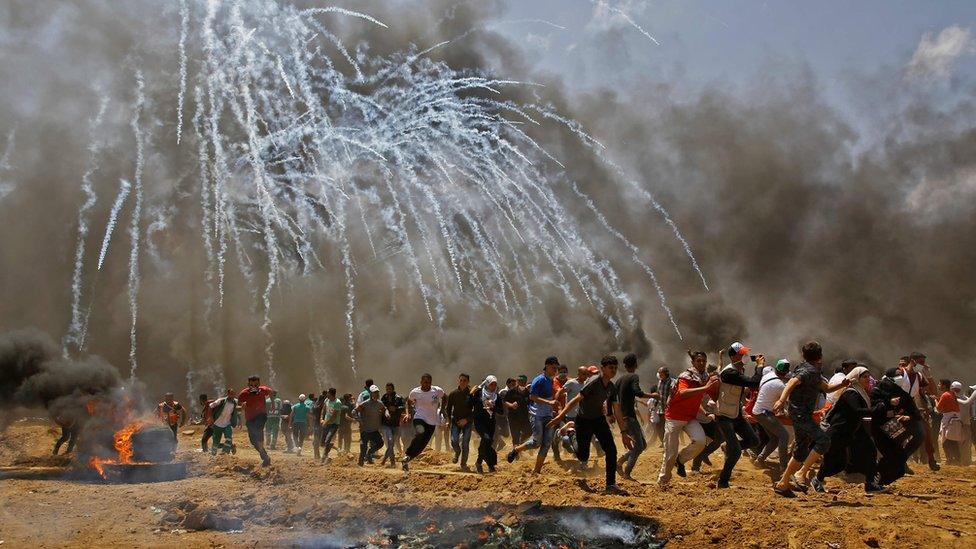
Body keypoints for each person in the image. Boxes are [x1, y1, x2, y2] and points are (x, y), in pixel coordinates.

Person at [772, 341, 849, 496]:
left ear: (803, 355)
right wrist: (781, 400)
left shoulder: (806, 368)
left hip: (800, 413)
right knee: (824, 440)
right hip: (800, 414)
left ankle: (783, 483)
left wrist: (842, 384)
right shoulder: (810, 371)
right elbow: (793, 382)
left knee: (800, 451)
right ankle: (801, 473)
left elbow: (826, 388)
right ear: (820, 356)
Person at [548, 355, 633, 494]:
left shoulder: (612, 387)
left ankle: (610, 485)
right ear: (602, 369)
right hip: (584, 421)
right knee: (583, 456)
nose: (614, 370)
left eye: (616, 368)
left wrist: (624, 433)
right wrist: (560, 417)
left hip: (599, 420)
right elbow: (576, 400)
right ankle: (571, 433)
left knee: (611, 450)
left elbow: (617, 410)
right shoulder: (594, 382)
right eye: (611, 367)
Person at [813, 367, 889, 493]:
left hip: (854, 430)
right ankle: (818, 479)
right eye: (864, 377)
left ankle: (870, 483)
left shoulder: (862, 393)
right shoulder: (851, 393)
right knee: (837, 461)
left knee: (870, 451)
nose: (868, 379)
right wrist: (878, 409)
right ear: (856, 379)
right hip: (840, 430)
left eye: (868, 376)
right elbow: (857, 411)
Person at [659, 351, 719, 486]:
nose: (702, 363)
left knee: (700, 442)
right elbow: (683, 393)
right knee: (670, 454)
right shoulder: (686, 376)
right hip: (674, 417)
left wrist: (705, 413)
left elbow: (695, 401)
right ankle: (663, 481)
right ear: (693, 363)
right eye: (699, 361)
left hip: (690, 417)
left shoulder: (704, 377)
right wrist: (706, 387)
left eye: (704, 361)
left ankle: (680, 460)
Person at [714, 342, 762, 488]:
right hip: (724, 416)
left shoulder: (738, 371)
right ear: (734, 356)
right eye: (742, 354)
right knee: (736, 453)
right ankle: (723, 481)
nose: (745, 356)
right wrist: (759, 366)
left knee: (754, 441)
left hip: (735, 414)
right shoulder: (730, 373)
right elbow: (754, 382)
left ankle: (728, 447)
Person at [506, 356, 560, 475]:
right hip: (537, 415)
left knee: (546, 444)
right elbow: (532, 397)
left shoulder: (552, 381)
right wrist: (549, 402)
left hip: (548, 415)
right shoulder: (539, 379)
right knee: (536, 443)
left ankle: (536, 471)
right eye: (553, 367)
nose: (555, 370)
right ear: (547, 366)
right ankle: (516, 449)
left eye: (557, 368)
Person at [870, 368, 919, 486]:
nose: (900, 378)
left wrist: (908, 417)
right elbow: (873, 410)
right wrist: (889, 403)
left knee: (900, 458)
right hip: (879, 426)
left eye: (901, 375)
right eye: (897, 375)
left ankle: (881, 481)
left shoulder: (900, 393)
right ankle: (874, 478)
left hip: (893, 425)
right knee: (889, 454)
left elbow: (913, 412)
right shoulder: (877, 391)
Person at [898, 352, 940, 470]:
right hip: (900, 410)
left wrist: (929, 375)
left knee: (925, 434)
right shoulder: (900, 373)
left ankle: (931, 459)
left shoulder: (919, 376)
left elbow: (933, 392)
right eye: (921, 363)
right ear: (913, 361)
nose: (923, 365)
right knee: (899, 437)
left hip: (915, 411)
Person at [615, 353, 652, 480]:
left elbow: (611, 397)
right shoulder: (634, 376)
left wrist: (610, 413)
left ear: (625, 365)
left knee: (643, 445)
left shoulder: (619, 380)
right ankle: (626, 473)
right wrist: (653, 396)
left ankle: (620, 462)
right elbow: (637, 392)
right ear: (636, 365)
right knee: (639, 446)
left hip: (625, 417)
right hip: (629, 417)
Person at [752, 359, 792, 470]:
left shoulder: (768, 374)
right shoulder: (780, 386)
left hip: (758, 411)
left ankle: (759, 460)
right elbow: (789, 402)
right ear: (786, 372)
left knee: (774, 439)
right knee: (784, 436)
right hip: (764, 413)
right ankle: (784, 467)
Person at [402, 373, 446, 471]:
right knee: (420, 432)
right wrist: (408, 413)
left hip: (432, 422)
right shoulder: (415, 392)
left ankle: (407, 458)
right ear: (421, 382)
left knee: (422, 446)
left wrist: (442, 409)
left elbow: (445, 397)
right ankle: (408, 453)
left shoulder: (436, 390)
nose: (428, 384)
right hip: (419, 418)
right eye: (425, 382)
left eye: (429, 382)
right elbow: (409, 401)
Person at [471, 375, 505, 473]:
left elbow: (501, 411)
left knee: (487, 442)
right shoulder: (478, 393)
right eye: (491, 384)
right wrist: (471, 393)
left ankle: (479, 462)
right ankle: (490, 464)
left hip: (490, 422)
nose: (493, 386)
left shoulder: (496, 396)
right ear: (487, 384)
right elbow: (469, 403)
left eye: (495, 384)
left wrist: (492, 408)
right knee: (486, 439)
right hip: (479, 421)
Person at [237, 375, 273, 466]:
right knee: (253, 441)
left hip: (261, 415)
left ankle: (262, 449)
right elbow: (237, 407)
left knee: (258, 429)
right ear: (248, 384)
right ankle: (264, 455)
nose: (254, 387)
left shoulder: (263, 390)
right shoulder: (244, 393)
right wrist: (242, 407)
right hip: (250, 418)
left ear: (259, 384)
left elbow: (271, 392)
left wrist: (272, 403)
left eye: (256, 385)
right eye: (252, 385)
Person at [444, 373, 475, 470]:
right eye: (461, 380)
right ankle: (457, 452)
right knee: (454, 441)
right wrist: (448, 421)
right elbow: (448, 409)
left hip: (467, 422)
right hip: (455, 422)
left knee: (465, 443)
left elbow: (476, 410)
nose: (462, 382)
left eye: (464, 380)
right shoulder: (453, 393)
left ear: (468, 382)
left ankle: (463, 464)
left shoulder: (471, 394)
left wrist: (466, 420)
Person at [935, 379, 964, 465]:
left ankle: (949, 459)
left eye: (939, 384)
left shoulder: (945, 394)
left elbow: (938, 408)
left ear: (944, 386)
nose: (938, 385)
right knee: (953, 440)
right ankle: (957, 459)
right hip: (956, 418)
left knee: (945, 439)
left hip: (948, 418)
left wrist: (935, 400)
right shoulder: (951, 394)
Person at [356, 385, 385, 466]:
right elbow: (354, 411)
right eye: (375, 393)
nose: (377, 394)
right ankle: (360, 464)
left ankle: (369, 453)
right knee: (363, 447)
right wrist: (359, 420)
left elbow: (384, 409)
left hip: (374, 430)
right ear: (371, 394)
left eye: (378, 393)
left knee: (380, 443)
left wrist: (386, 413)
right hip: (365, 429)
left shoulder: (379, 403)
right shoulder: (365, 404)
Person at [950, 381, 976, 465]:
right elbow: (970, 410)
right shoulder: (965, 397)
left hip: (959, 423)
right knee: (966, 443)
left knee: (959, 442)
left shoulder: (955, 398)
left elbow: (967, 404)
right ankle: (966, 461)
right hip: (966, 422)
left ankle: (961, 460)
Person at [380, 383, 406, 467]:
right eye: (387, 389)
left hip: (395, 424)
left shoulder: (398, 398)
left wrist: (396, 409)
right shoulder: (384, 398)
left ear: (393, 389)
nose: (388, 391)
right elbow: (381, 407)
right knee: (390, 441)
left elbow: (403, 408)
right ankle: (391, 461)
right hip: (386, 424)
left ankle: (386, 460)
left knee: (392, 443)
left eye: (389, 389)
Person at [648, 366, 674, 447]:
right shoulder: (660, 382)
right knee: (659, 427)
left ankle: (669, 443)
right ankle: (664, 442)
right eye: (658, 372)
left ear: (665, 373)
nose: (659, 374)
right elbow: (659, 395)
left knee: (669, 428)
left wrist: (669, 403)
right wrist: (654, 405)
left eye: (660, 373)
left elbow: (671, 394)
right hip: (661, 409)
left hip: (670, 409)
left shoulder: (672, 381)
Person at [208, 388, 239, 455]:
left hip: (227, 424)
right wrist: (210, 417)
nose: (232, 395)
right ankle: (213, 455)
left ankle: (225, 454)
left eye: (233, 394)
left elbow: (236, 410)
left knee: (228, 438)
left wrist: (242, 409)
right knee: (216, 442)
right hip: (217, 424)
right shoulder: (221, 401)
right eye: (231, 394)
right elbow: (210, 406)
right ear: (227, 394)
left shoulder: (235, 402)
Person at [502, 377, 530, 445]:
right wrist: (511, 405)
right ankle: (515, 454)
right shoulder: (512, 391)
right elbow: (504, 401)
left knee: (529, 432)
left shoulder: (527, 392)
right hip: (513, 417)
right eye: (521, 382)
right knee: (515, 437)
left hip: (524, 416)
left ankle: (521, 442)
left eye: (524, 382)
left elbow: (530, 402)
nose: (522, 384)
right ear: (518, 382)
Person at [319, 388, 342, 463]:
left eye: (328, 393)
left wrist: (325, 422)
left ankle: (325, 456)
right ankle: (327, 454)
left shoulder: (337, 402)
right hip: (326, 423)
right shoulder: (326, 400)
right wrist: (321, 418)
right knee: (322, 442)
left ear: (331, 394)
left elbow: (334, 416)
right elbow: (323, 410)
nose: (327, 394)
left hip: (334, 424)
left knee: (328, 439)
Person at [311, 393, 326, 460]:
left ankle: (316, 454)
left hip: (316, 424)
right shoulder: (322, 406)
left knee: (316, 439)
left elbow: (312, 415)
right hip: (321, 424)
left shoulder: (315, 406)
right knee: (322, 440)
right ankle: (322, 455)